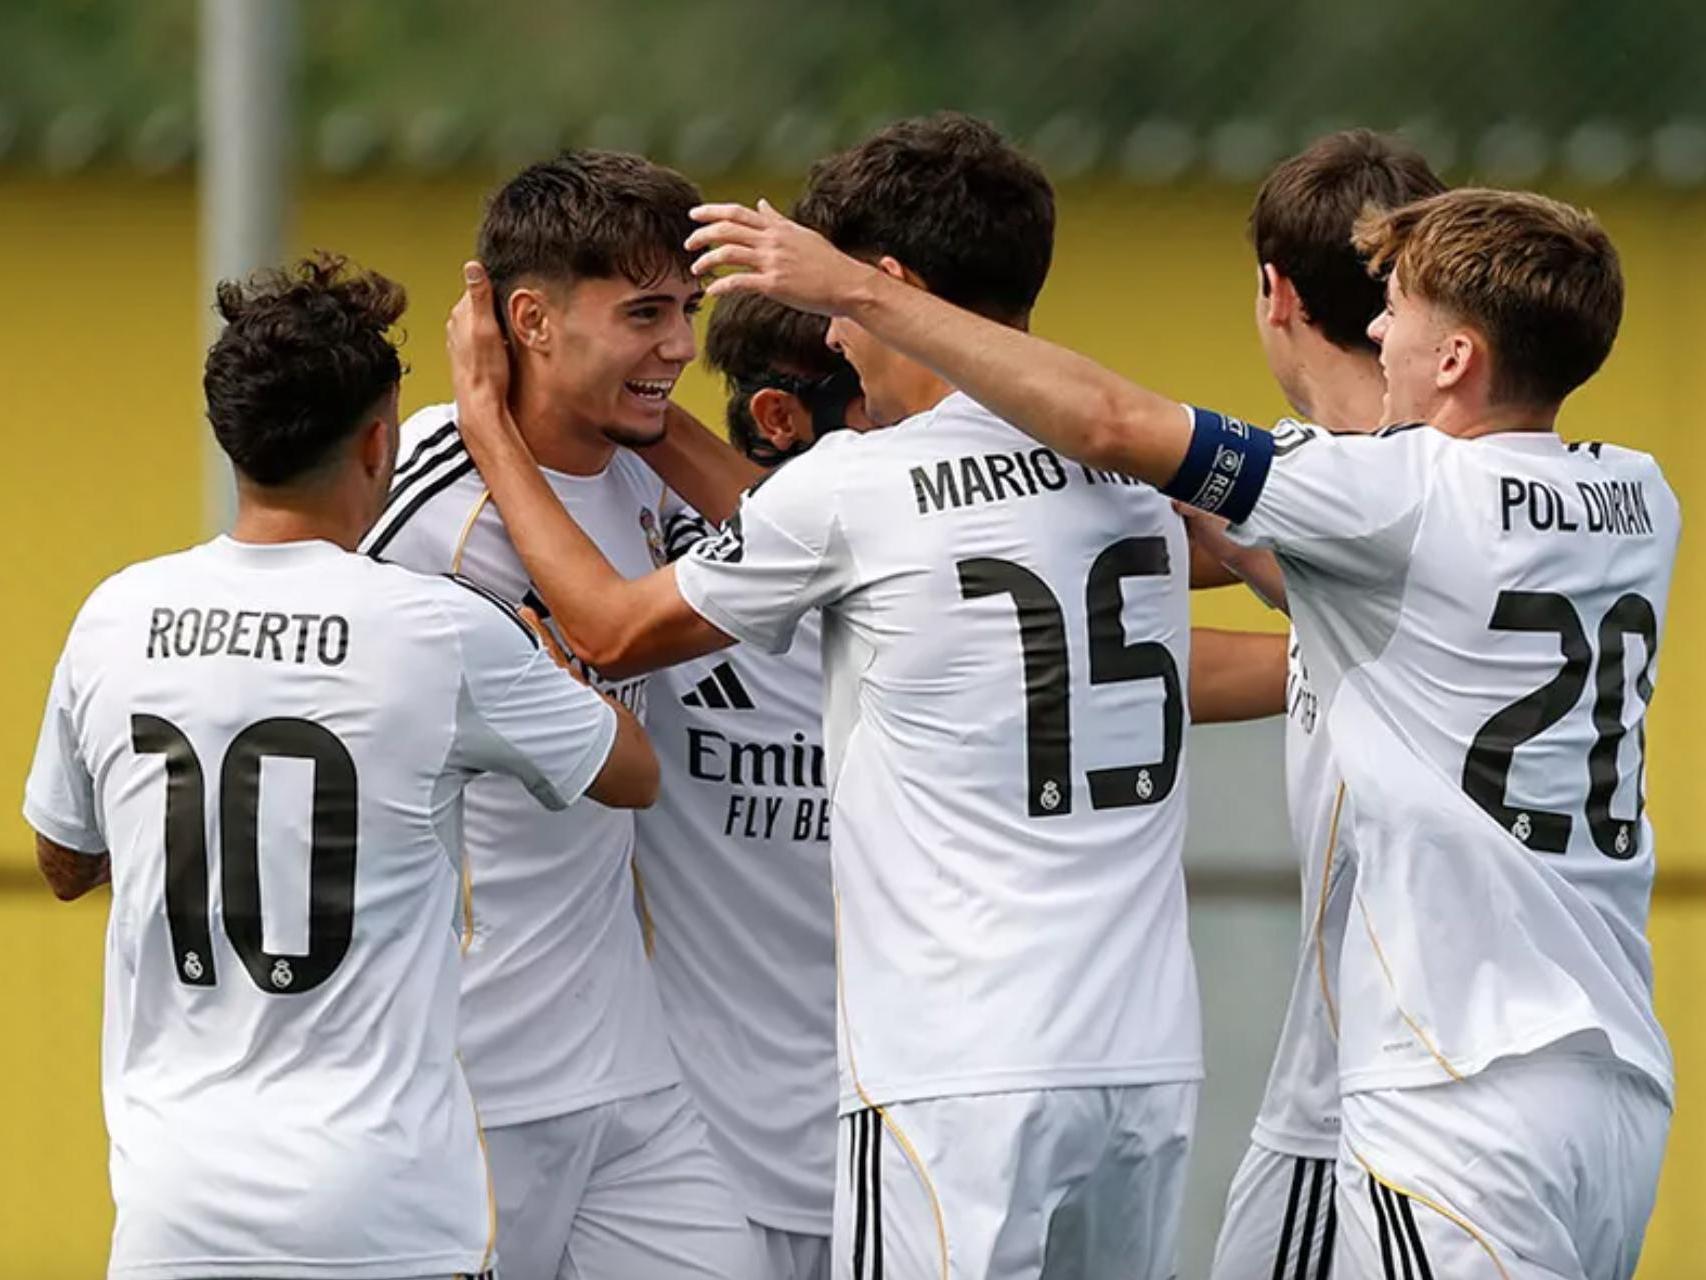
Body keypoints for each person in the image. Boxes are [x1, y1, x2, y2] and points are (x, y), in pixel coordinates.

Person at [689, 181, 1679, 1279]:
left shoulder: (1396, 491)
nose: (1377, 330)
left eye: (1393, 306)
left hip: (1459, 1085)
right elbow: (1272, 555)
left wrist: (849, 292)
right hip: (1615, 1078)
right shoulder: (1638, 498)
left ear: (1454, 357)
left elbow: (1119, 427)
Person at [446, 113, 1287, 1280]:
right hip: (1144, 1062)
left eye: (840, 301)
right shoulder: (1139, 466)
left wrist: (491, 423)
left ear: (885, 286)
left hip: (953, 1069)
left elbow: (607, 626)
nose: (833, 330)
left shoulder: (860, 485)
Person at [21, 253, 655, 1280]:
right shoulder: (437, 629)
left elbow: (61, 858)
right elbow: (630, 772)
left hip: (173, 1213)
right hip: (389, 1212)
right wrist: (550, 668)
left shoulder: (115, 613)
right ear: (377, 441)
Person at [360, 152, 757, 1280]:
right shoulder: (413, 502)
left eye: (687, 309)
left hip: (631, 1069)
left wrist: (631, 406)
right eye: (643, 313)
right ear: (527, 317)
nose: (680, 345)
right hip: (471, 1071)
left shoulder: (644, 470)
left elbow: (808, 551)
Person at [1197, 130, 1445, 1280]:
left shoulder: (1345, 486)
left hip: (1384, 1078)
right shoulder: (1474, 483)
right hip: (1373, 1065)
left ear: (1275, 293)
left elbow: (1106, 428)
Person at [634, 291, 870, 1280]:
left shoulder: (925, 577)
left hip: (905, 1148)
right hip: (702, 1172)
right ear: (781, 417)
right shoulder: (666, 589)